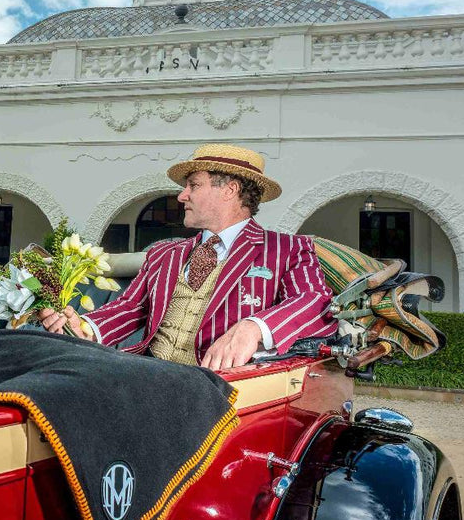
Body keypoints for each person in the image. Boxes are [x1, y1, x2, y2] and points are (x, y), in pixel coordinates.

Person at [40, 144, 336, 370]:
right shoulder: (163, 253)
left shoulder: (287, 249)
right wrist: (86, 327)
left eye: (194, 185)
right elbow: (130, 307)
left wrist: (254, 328)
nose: (182, 196)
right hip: (146, 373)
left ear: (229, 190)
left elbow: (316, 301)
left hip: (221, 391)